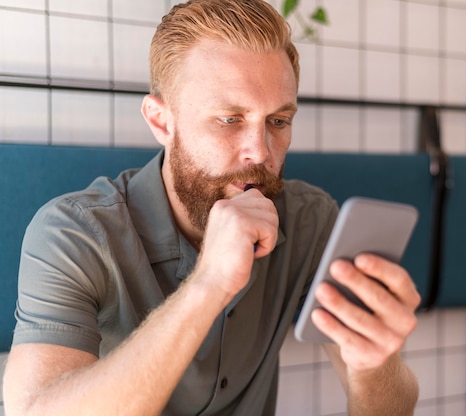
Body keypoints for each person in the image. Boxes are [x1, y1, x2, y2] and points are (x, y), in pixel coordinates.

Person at [2, 1, 421, 415]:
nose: (259, 151)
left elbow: (391, 410)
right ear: (161, 121)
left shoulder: (310, 219)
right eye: (229, 119)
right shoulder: (73, 234)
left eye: (278, 121)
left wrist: (372, 364)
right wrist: (209, 285)